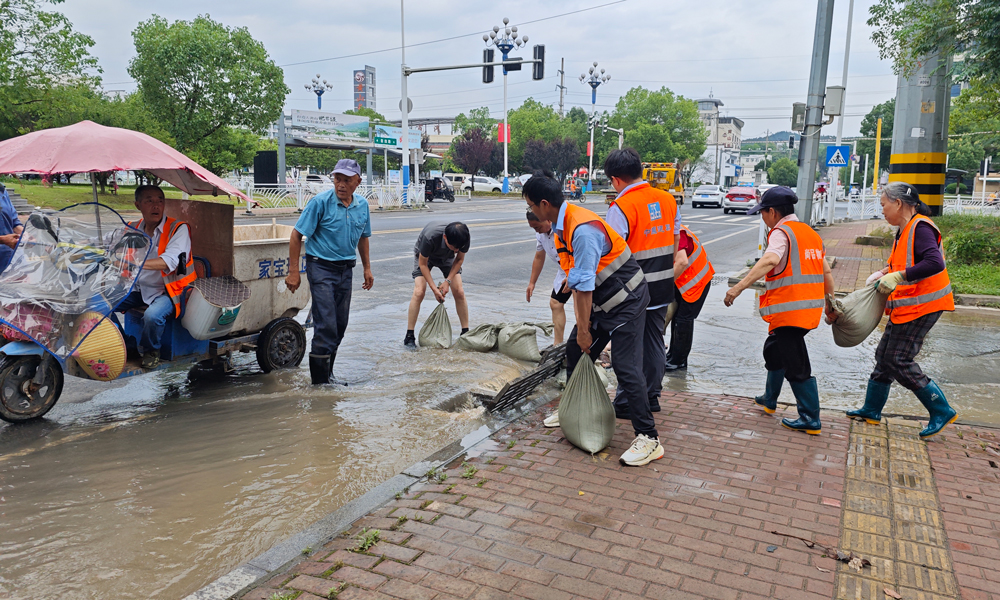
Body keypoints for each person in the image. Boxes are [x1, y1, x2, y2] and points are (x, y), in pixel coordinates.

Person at [523, 170, 662, 467]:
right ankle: (575, 408)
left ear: (545, 204)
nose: (532, 212)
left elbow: (584, 288)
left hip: (626, 301)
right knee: (574, 349)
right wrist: (581, 331)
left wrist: (585, 330)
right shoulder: (562, 225)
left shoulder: (582, 229)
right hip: (604, 301)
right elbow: (576, 275)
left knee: (625, 365)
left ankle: (649, 438)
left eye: (532, 207)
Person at [844, 182, 958, 438]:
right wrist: (884, 272)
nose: (882, 210)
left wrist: (898, 277)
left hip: (924, 304)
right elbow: (902, 261)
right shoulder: (904, 229)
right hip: (908, 304)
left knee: (898, 359)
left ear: (898, 203)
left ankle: (941, 409)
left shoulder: (921, 227)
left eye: (884, 204)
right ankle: (871, 409)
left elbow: (933, 263)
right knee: (884, 355)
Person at [724, 186, 836, 435]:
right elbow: (826, 271)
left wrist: (738, 288)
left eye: (762, 212)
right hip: (808, 309)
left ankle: (810, 417)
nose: (762, 218)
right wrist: (830, 303)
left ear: (772, 212)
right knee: (773, 350)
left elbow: (770, 260)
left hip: (789, 311)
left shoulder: (780, 232)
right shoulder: (809, 233)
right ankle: (769, 398)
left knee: (796, 364)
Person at [603, 148, 680, 416]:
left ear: (615, 179)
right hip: (663, 284)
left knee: (628, 348)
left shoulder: (620, 207)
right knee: (655, 340)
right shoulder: (668, 199)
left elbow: (613, 254)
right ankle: (652, 396)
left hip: (634, 290)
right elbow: (675, 239)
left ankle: (626, 402)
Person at [286, 159, 374, 384]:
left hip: (346, 269)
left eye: (347, 180)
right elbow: (296, 236)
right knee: (326, 325)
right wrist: (294, 271)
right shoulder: (320, 203)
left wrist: (367, 268)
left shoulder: (362, 206)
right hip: (321, 267)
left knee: (340, 326)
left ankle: (328, 374)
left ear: (357, 182)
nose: (341, 184)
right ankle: (320, 385)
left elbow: (363, 238)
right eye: (338, 179)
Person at [118, 185, 196, 369]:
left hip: (170, 290)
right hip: (138, 287)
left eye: (160, 201)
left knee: (152, 317)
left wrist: (133, 263)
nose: (156, 206)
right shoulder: (133, 228)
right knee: (100, 305)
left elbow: (169, 261)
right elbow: (109, 242)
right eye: (149, 201)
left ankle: (152, 349)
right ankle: (127, 345)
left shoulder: (178, 229)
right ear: (138, 205)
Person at [404, 221, 471, 347]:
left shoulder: (463, 238)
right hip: (425, 258)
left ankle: (465, 333)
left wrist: (448, 281)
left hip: (447, 259)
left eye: (459, 248)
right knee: (419, 292)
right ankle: (409, 335)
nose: (457, 250)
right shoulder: (430, 237)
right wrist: (435, 289)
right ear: (445, 237)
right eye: (454, 247)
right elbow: (423, 264)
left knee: (459, 292)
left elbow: (459, 259)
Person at [664, 223, 715, 371]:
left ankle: (678, 362)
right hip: (684, 281)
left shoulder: (677, 233)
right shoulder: (671, 228)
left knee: (683, 320)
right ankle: (672, 356)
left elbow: (682, 262)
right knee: (678, 319)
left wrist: (664, 287)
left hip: (695, 282)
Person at [525, 210, 570, 345]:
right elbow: (539, 257)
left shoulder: (562, 230)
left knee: (582, 308)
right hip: (564, 271)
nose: (537, 231)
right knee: (555, 303)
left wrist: (574, 275)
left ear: (548, 220)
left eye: (538, 227)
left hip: (579, 269)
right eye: (533, 228)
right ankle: (558, 344)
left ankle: (588, 345)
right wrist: (532, 283)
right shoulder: (541, 234)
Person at [0, 183, 24, 272]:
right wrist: (2, 239)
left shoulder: (2, 190)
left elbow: (14, 221)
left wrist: (26, 235)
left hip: (7, 259)